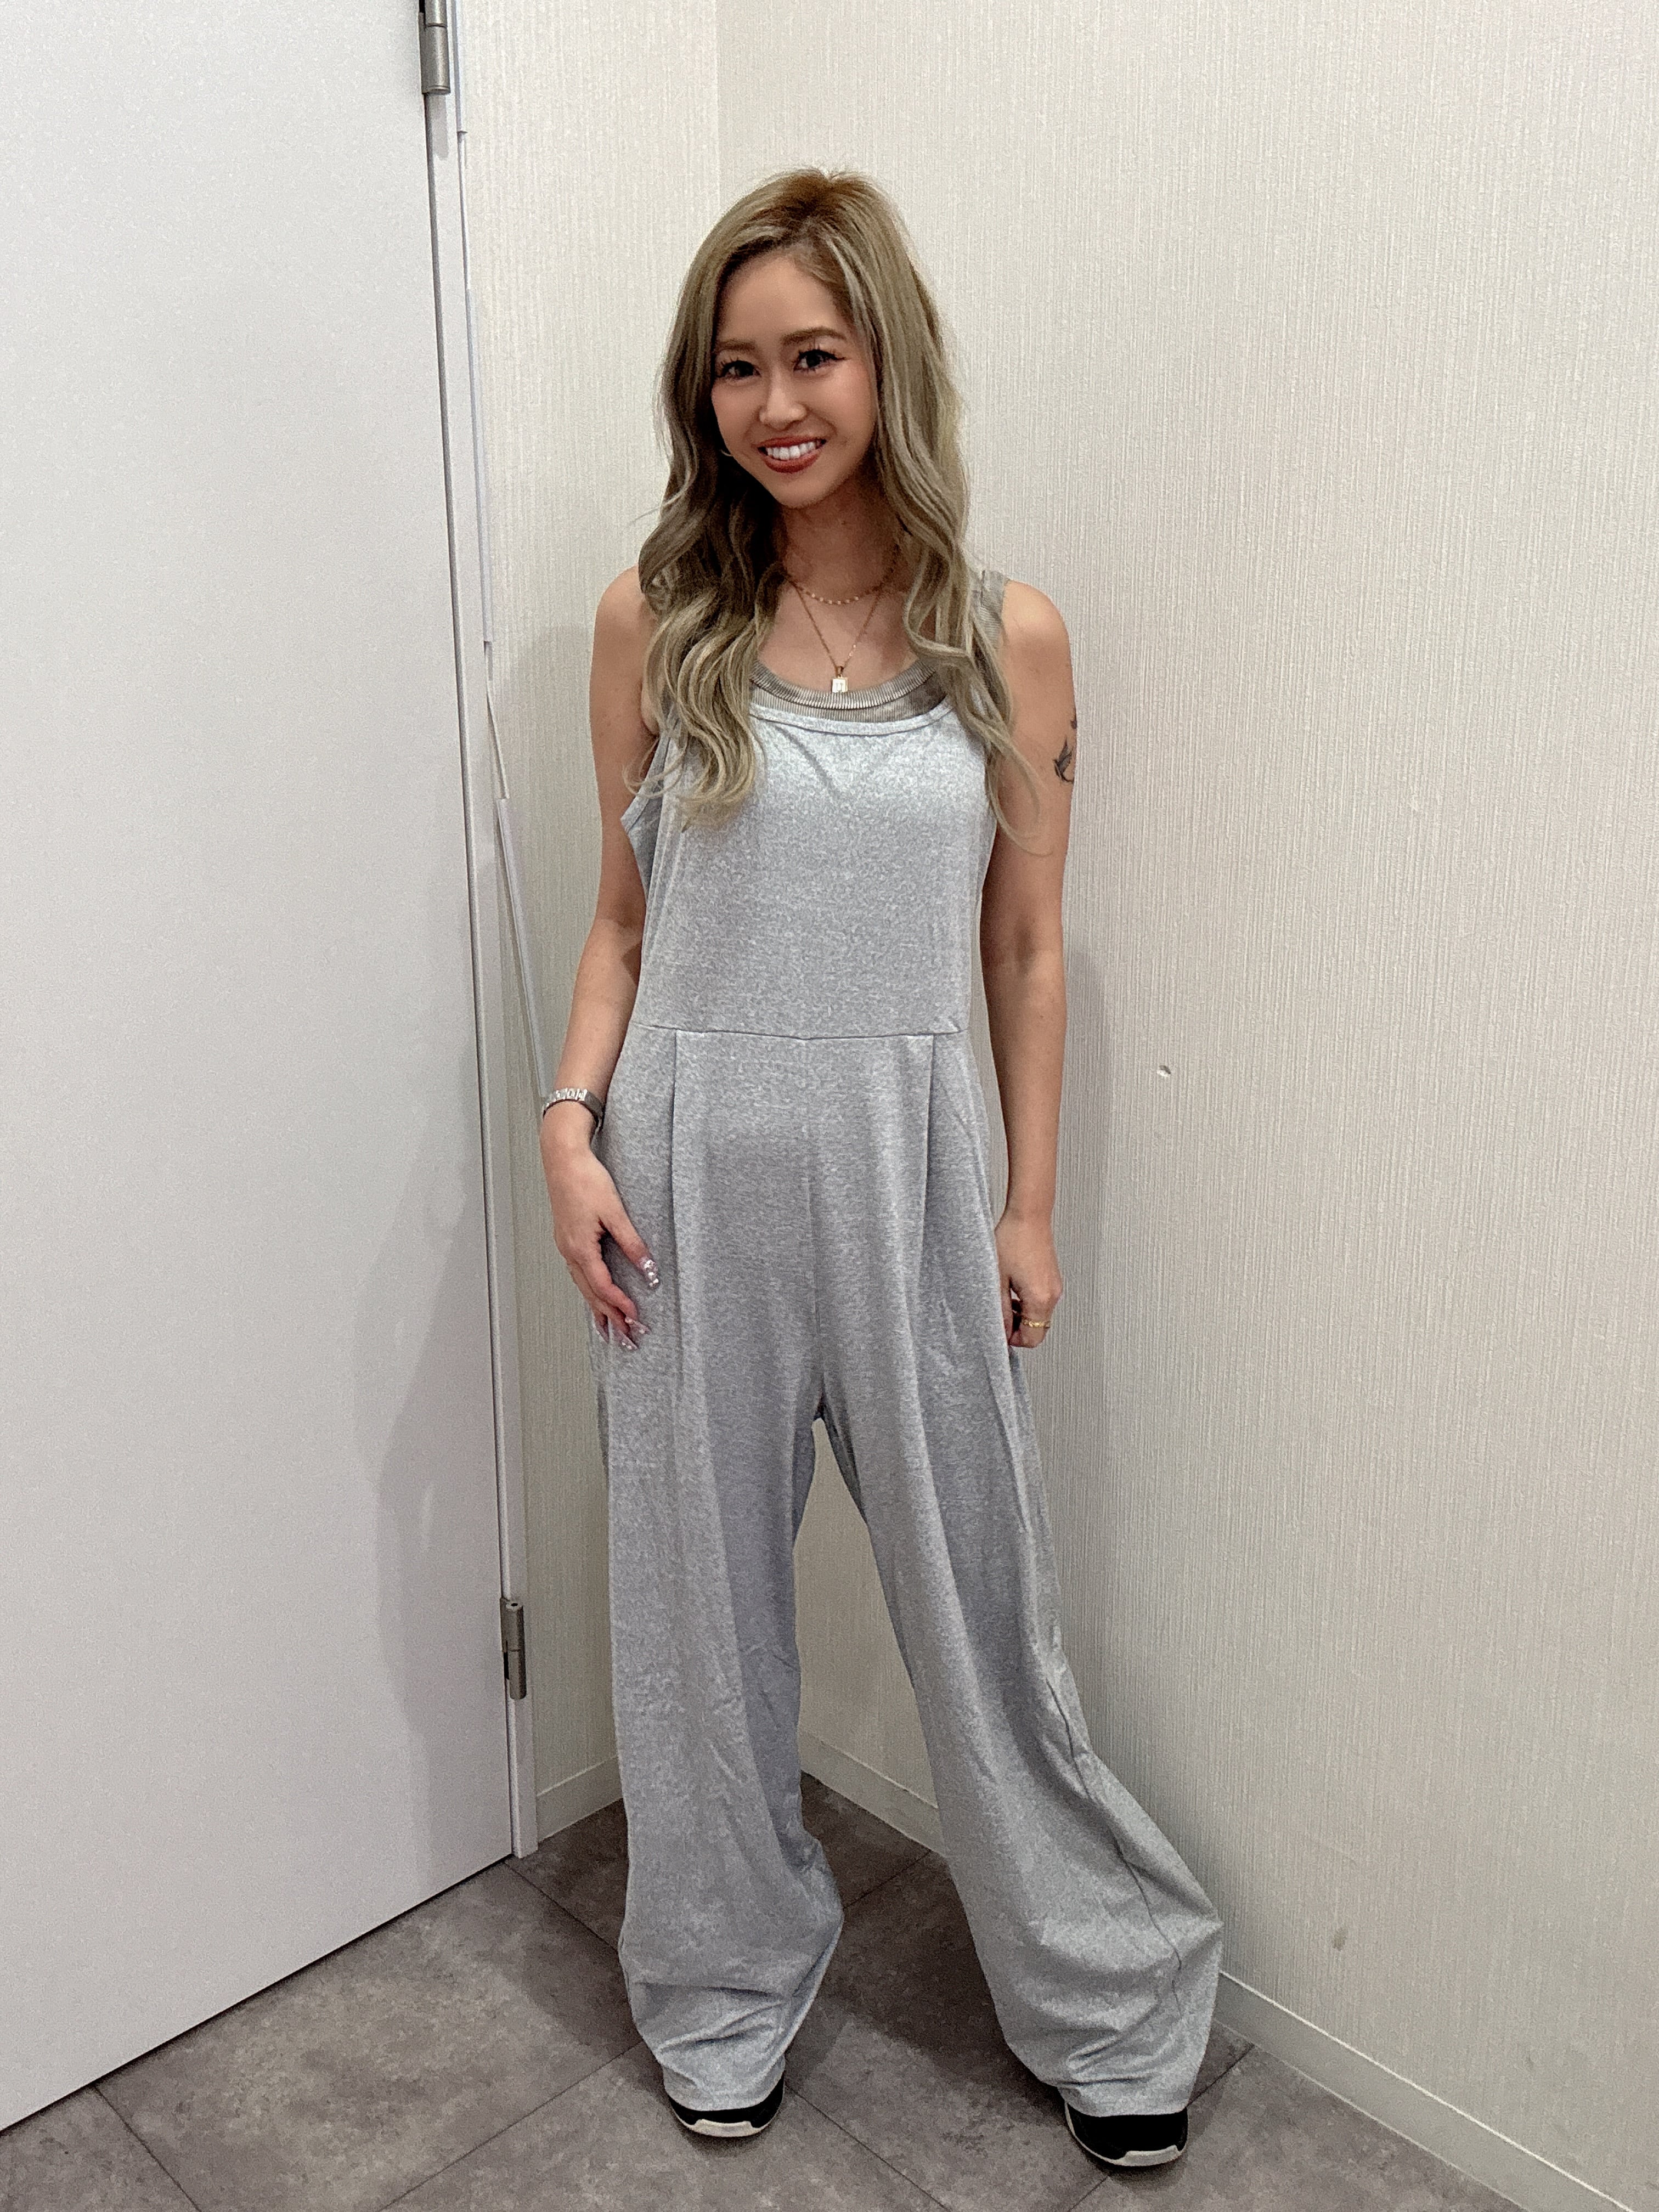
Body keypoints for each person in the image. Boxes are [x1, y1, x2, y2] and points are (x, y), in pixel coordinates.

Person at [539, 167, 1223, 2174]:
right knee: (698, 1627)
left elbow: (1026, 951)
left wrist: (1027, 1205)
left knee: (982, 1608)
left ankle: (1109, 1990)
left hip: (914, 1167)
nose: (776, 404)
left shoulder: (1008, 637)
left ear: (886, 365)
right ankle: (721, 1984)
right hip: (680, 1176)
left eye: (813, 356)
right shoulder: (655, 621)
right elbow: (623, 923)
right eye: (736, 367)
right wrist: (567, 1127)